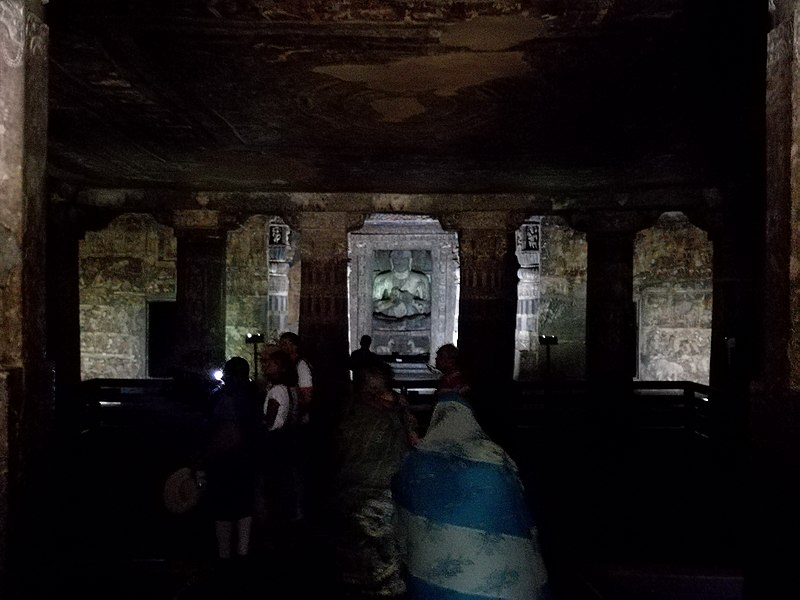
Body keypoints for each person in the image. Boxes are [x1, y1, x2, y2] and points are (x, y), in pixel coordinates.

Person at [392, 391, 551, 600]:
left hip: (435, 568)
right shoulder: (495, 458)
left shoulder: (414, 461)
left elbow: (401, 518)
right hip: (497, 568)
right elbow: (519, 509)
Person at [332, 359, 419, 599]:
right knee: (382, 571)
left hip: (352, 498)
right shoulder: (383, 419)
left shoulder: (350, 413)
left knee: (357, 567)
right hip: (377, 501)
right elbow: (408, 449)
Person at [201, 356, 262, 564]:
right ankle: (243, 552)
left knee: (223, 508)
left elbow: (212, 428)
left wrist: (204, 457)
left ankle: (224, 555)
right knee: (244, 505)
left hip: (222, 460)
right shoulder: (254, 394)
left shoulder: (220, 397)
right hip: (246, 458)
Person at [258, 344, 301, 529]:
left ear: (280, 367)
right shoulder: (289, 389)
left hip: (274, 441)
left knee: (273, 482)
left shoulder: (276, 391)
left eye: (270, 363)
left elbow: (269, 420)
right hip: (287, 439)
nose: (266, 366)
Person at [373, 250, 431, 319]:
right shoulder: (381, 279)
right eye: (396, 259)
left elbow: (428, 307)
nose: (400, 262)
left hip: (413, 320)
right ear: (391, 261)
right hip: (388, 320)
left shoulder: (420, 280)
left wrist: (411, 300)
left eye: (404, 259)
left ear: (410, 261)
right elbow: (373, 307)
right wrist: (390, 302)